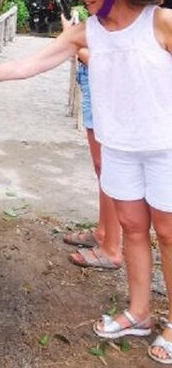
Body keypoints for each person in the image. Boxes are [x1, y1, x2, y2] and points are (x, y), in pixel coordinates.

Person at [0, 0, 172, 365]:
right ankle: (139, 312)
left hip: (164, 148)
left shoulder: (161, 23)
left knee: (169, 235)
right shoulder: (86, 32)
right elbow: (26, 66)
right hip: (118, 146)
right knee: (134, 230)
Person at [60, 14, 122, 270]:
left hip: (106, 90)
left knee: (108, 168)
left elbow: (106, 63)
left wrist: (75, 42)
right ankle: (102, 232)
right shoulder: (102, 21)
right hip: (92, 85)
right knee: (101, 168)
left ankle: (111, 248)